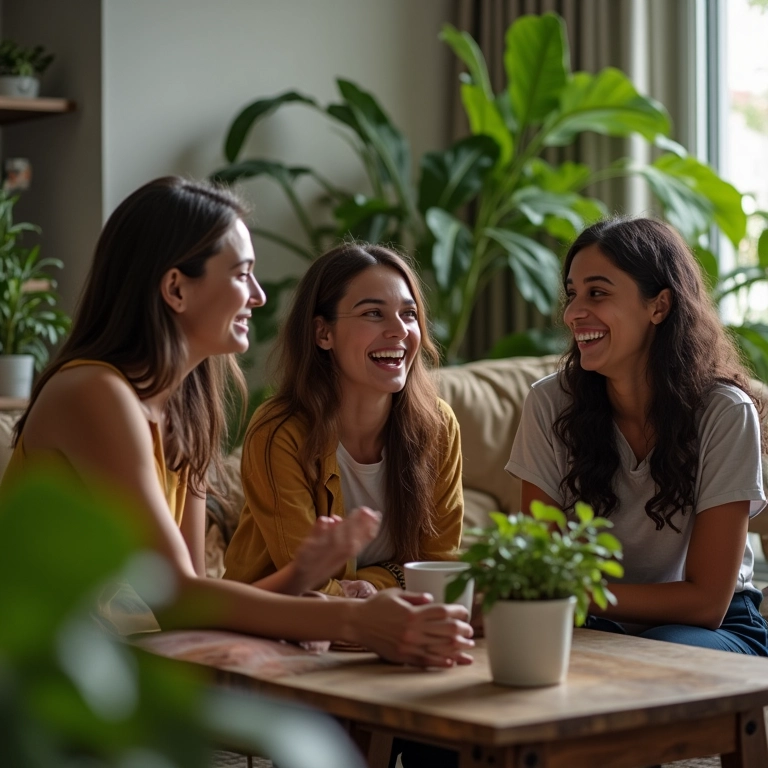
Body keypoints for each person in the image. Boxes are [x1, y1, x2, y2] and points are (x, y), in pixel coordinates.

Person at [0, 176, 473, 667]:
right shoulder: (94, 392)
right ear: (176, 289)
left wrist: (301, 578)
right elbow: (175, 597)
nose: (259, 296)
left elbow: (188, 598)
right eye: (242, 274)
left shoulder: (187, 408)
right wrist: (350, 620)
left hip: (100, 647)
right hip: (31, 671)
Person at [507, 216, 768, 655]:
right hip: (593, 622)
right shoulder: (550, 404)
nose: (572, 313)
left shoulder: (724, 412)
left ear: (659, 306)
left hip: (716, 629)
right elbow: (540, 564)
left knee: (652, 655)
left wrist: (573, 594)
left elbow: (707, 603)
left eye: (598, 292)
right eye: (572, 294)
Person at [223, 243, 464, 597]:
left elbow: (438, 564)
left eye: (409, 314)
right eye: (373, 314)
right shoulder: (279, 431)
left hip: (381, 622)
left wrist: (370, 585)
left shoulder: (439, 426)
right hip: (273, 626)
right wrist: (390, 584)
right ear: (324, 334)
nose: (399, 331)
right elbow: (307, 581)